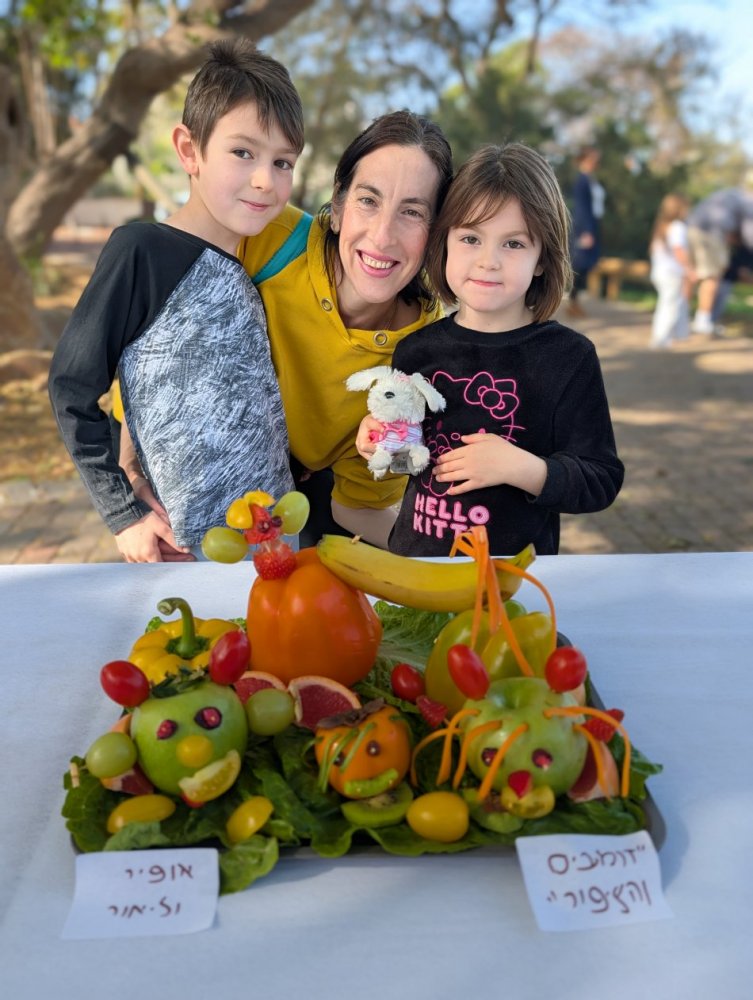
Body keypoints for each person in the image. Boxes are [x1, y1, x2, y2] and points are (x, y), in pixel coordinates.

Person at [49, 39, 304, 562]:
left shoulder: (251, 268)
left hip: (276, 545)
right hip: (184, 552)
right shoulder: (141, 249)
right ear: (189, 150)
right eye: (243, 153)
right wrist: (124, 512)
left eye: (283, 162)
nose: (265, 180)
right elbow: (72, 386)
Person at [355, 143, 624, 557]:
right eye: (470, 238)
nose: (488, 261)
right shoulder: (416, 350)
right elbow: (415, 467)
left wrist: (523, 468)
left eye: (513, 244)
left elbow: (600, 480)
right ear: (444, 243)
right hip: (415, 571)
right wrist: (383, 449)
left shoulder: (568, 358)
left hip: (511, 579)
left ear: (542, 258)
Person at [236, 111, 453, 548]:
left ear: (436, 235)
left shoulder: (425, 354)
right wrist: (129, 470)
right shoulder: (268, 238)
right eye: (368, 200)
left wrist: (453, 563)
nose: (383, 236)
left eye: (412, 212)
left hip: (296, 491)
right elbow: (166, 328)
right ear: (337, 207)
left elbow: (360, 504)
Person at [686, 180, 753, 336]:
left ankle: (683, 315)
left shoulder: (731, 194)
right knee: (712, 277)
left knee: (692, 275)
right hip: (711, 234)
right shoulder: (748, 203)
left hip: (691, 229)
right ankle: (703, 321)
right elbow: (749, 234)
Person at [648, 193, 694, 349]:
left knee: (667, 303)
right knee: (670, 306)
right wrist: (689, 269)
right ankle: (661, 339)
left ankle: (670, 336)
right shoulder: (677, 227)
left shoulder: (661, 226)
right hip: (671, 273)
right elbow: (679, 250)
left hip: (660, 271)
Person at [567, 145, 605, 319]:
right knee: (580, 264)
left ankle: (575, 302)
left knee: (586, 264)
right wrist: (586, 231)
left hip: (593, 225)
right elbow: (582, 209)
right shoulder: (582, 181)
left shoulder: (591, 179)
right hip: (585, 227)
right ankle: (573, 302)